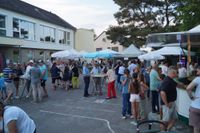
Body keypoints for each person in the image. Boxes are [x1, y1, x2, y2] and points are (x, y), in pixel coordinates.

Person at [160, 66, 186, 131]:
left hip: (171, 103)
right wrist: (167, 104)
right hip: (168, 104)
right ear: (173, 73)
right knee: (165, 121)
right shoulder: (167, 81)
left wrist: (186, 86)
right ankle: (163, 131)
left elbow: (178, 85)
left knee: (174, 118)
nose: (177, 74)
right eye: (176, 72)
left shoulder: (170, 80)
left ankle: (167, 130)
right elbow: (162, 93)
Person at [186, 66, 200, 133]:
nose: (197, 71)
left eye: (198, 70)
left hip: (196, 106)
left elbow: (188, 88)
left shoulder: (198, 79)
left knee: (196, 127)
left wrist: (191, 97)